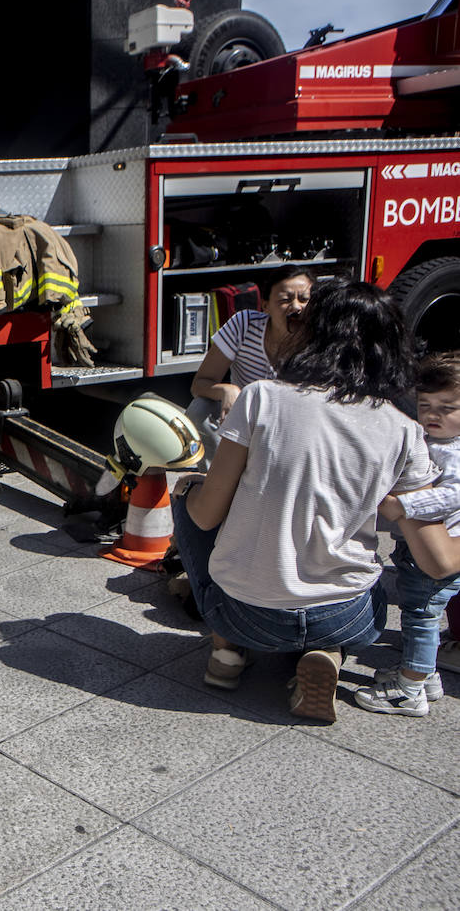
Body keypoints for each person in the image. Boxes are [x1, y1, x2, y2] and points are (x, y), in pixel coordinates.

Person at [171, 279, 460, 723]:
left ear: (311, 335)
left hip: (247, 616)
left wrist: (193, 489)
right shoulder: (403, 429)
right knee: (347, 588)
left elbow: (208, 515)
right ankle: (328, 651)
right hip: (351, 618)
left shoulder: (261, 397)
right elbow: (438, 562)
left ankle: (227, 651)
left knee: (189, 492)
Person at [355, 351, 460, 716]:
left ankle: (409, 689)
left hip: (434, 550)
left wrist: (405, 506)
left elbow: (454, 493)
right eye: (425, 405)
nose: (433, 414)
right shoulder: (438, 443)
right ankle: (426, 677)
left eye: (447, 408)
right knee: (423, 614)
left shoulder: (453, 452)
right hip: (419, 548)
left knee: (421, 617)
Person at [186, 266, 313, 458]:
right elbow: (199, 384)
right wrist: (227, 390)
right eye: (285, 300)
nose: (296, 307)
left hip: (291, 431)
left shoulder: (318, 341)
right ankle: (213, 474)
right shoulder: (244, 325)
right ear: (265, 306)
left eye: (304, 299)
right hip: (244, 424)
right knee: (200, 409)